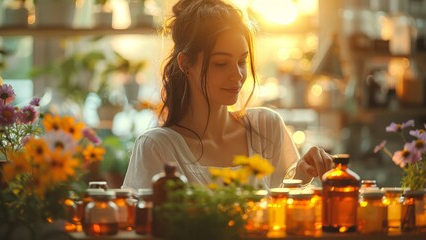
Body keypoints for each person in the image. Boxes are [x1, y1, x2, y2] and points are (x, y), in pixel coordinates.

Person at [122, 0, 333, 190]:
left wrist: (303, 174)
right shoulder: (157, 147)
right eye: (221, 64)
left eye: (241, 61)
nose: (238, 75)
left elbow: (285, 214)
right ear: (186, 63)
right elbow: (141, 225)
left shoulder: (267, 127)